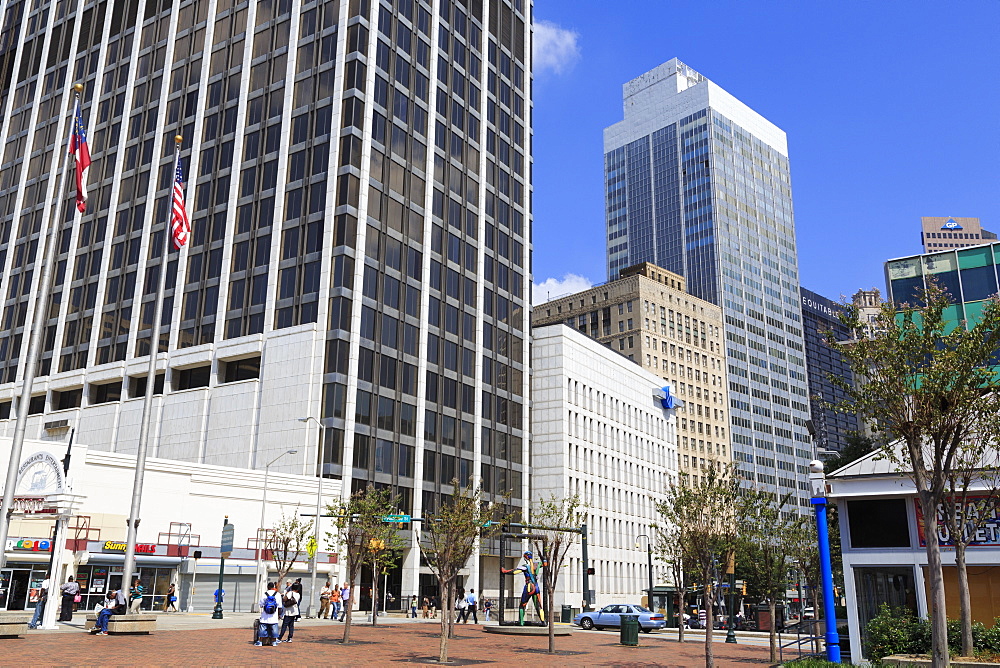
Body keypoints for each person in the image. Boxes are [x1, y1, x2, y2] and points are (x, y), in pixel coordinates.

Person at [501, 551, 545, 625]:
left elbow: (514, 572)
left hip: (529, 587)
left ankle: (521, 622)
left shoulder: (525, 566)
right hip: (536, 587)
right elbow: (545, 563)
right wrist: (544, 558)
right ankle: (543, 622)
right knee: (538, 605)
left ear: (525, 557)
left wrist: (505, 571)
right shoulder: (537, 565)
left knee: (522, 605)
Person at [255, 582, 284, 646]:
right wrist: (279, 615)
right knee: (274, 629)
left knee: (263, 628)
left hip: (265, 616)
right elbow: (280, 606)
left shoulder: (264, 594)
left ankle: (260, 642)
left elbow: (261, 605)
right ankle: (274, 642)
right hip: (274, 617)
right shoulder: (278, 594)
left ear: (267, 587)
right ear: (273, 587)